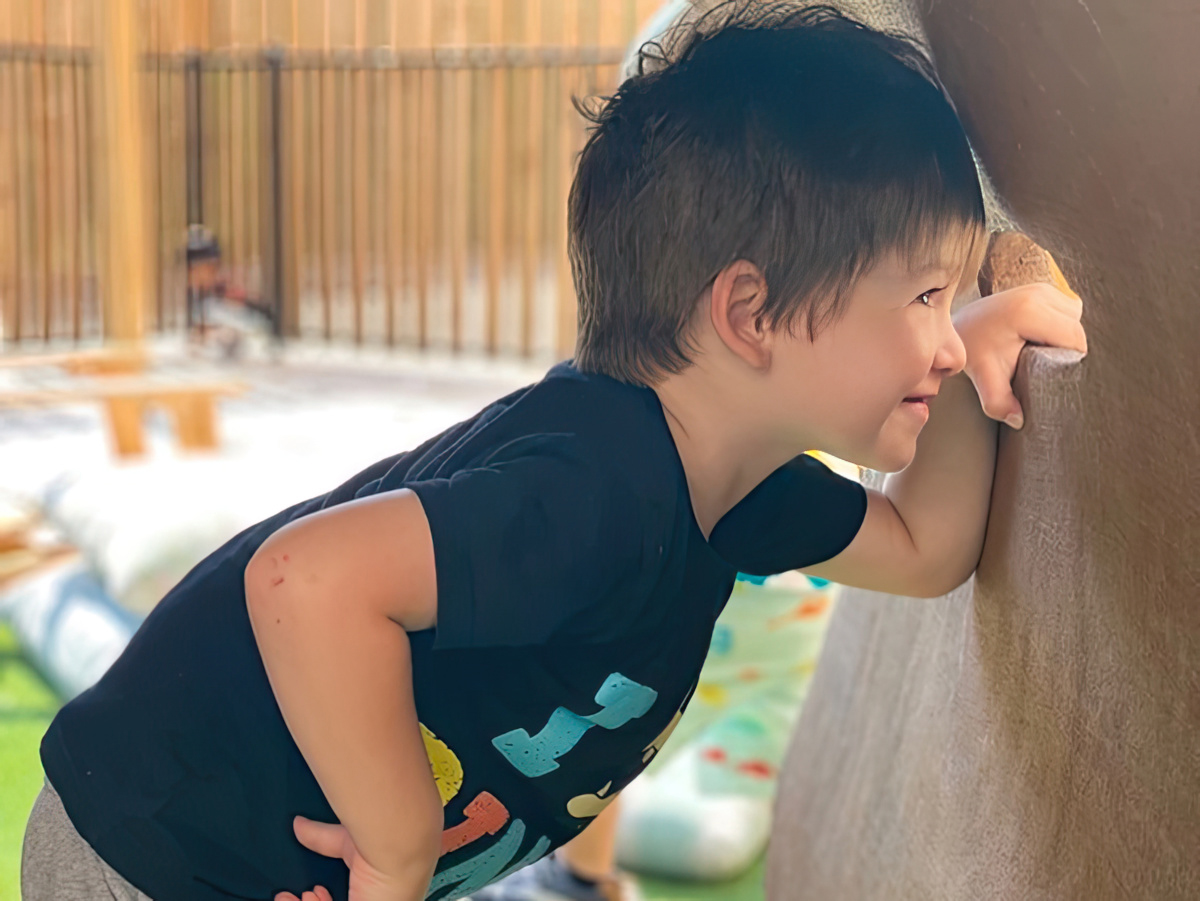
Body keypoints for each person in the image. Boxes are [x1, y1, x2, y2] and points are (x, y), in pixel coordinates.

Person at [21, 4, 1087, 901]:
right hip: (154, 844)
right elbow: (306, 580)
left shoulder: (744, 484)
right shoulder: (601, 487)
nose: (946, 340)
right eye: (924, 295)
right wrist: (397, 850)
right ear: (752, 314)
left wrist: (986, 341)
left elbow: (926, 545)